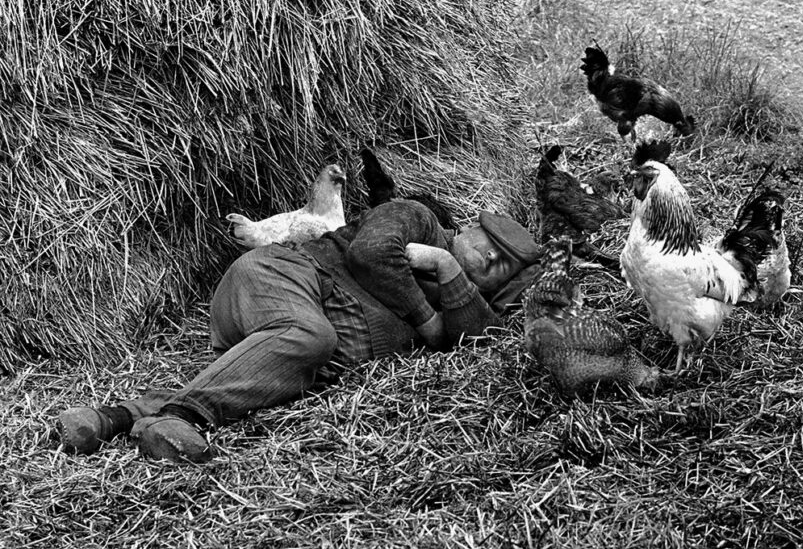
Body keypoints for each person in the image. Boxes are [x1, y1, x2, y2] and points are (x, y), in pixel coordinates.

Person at [56, 199, 542, 462]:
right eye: (491, 242)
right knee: (310, 336)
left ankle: (108, 419)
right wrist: (430, 294)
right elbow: (372, 252)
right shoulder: (420, 219)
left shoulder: (456, 290)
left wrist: (448, 273)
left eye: (503, 266)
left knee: (269, 381)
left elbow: (483, 340)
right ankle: (185, 413)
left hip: (282, 342)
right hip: (279, 277)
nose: (491, 257)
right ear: (470, 228)